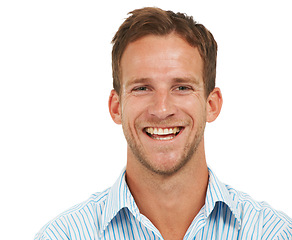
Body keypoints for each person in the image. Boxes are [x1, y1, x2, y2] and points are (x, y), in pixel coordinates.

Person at [35, 7, 292, 240]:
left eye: (181, 87)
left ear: (211, 105)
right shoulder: (64, 235)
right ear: (116, 107)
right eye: (142, 88)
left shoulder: (272, 233)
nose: (162, 109)